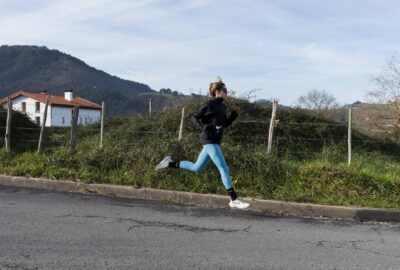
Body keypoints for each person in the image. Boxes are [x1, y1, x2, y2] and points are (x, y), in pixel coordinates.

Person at [155, 78, 250, 209]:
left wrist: (232, 118)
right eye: (225, 90)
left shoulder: (222, 107)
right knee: (224, 168)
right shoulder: (211, 104)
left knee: (196, 168)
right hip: (209, 140)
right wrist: (204, 127)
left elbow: (222, 125)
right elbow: (195, 117)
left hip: (215, 141)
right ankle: (234, 199)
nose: (227, 92)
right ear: (218, 92)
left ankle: (169, 163)